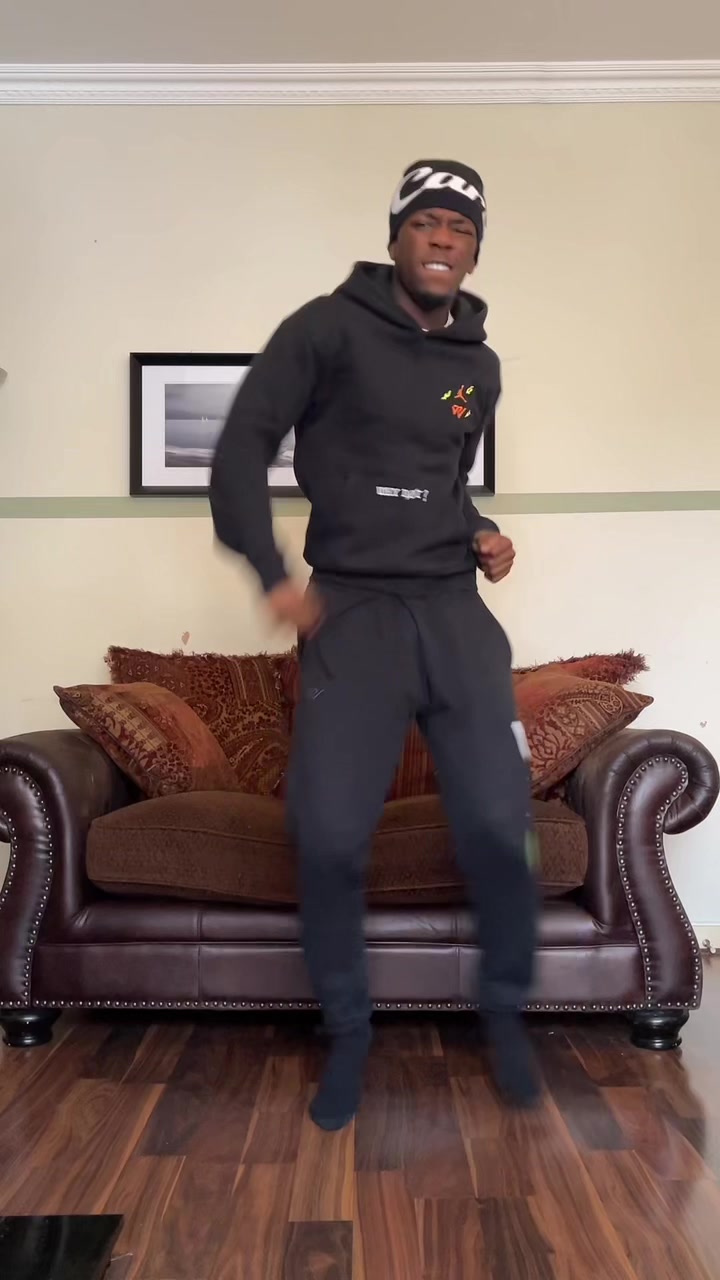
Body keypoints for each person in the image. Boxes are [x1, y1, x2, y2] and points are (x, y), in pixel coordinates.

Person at [210, 159, 539, 1130]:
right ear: (397, 235)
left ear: (475, 251)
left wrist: (483, 530)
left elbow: (442, 481)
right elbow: (239, 446)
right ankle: (348, 1031)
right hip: (352, 614)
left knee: (499, 825)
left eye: (462, 229)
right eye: (427, 221)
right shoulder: (324, 328)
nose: (444, 239)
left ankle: (505, 1014)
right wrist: (271, 571)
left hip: (453, 611)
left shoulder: (480, 367)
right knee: (326, 835)